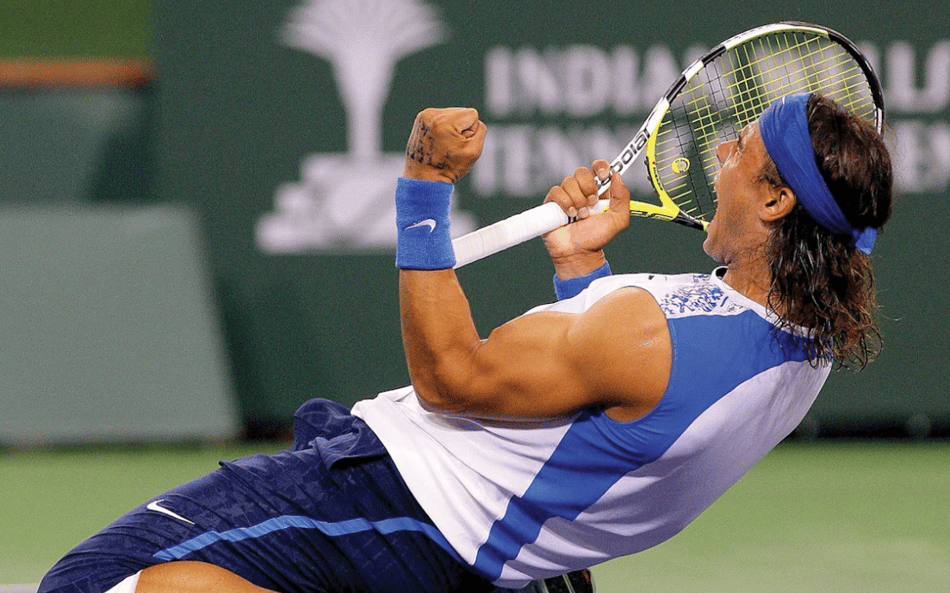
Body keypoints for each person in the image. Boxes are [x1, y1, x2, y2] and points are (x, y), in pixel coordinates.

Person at [38, 91, 892, 593]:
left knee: (87, 584)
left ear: (777, 202)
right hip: (505, 552)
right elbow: (620, 422)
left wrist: (423, 187)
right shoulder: (805, 344)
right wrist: (580, 270)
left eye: (744, 145)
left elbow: (451, 376)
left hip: (397, 508)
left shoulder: (646, 335)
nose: (722, 148)